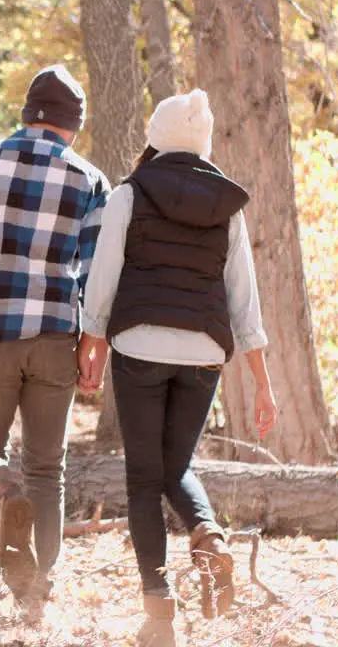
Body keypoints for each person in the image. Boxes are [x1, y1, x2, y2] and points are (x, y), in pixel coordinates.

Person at [77, 89, 279, 646]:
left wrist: (91, 343)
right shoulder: (227, 207)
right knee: (175, 465)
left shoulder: (129, 194)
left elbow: (104, 277)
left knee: (145, 479)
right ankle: (209, 536)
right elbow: (245, 300)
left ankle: (158, 614)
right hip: (204, 356)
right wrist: (263, 383)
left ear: (156, 138)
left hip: (140, 348)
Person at [0, 64, 110, 613]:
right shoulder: (88, 179)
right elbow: (98, 275)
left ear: (28, 113)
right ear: (72, 125)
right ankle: (37, 594)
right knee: (47, 468)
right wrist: (92, 345)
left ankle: (7, 502)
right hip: (57, 335)